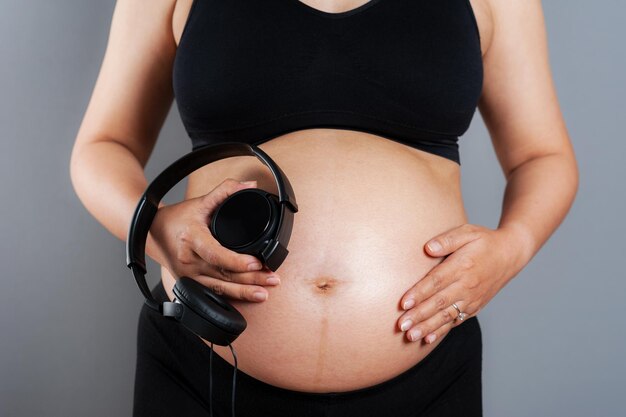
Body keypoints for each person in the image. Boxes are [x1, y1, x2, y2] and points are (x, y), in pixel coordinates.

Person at [70, 0, 578, 416]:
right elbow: (104, 145)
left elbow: (543, 157)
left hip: (429, 374)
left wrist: (512, 248)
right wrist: (156, 226)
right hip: (199, 364)